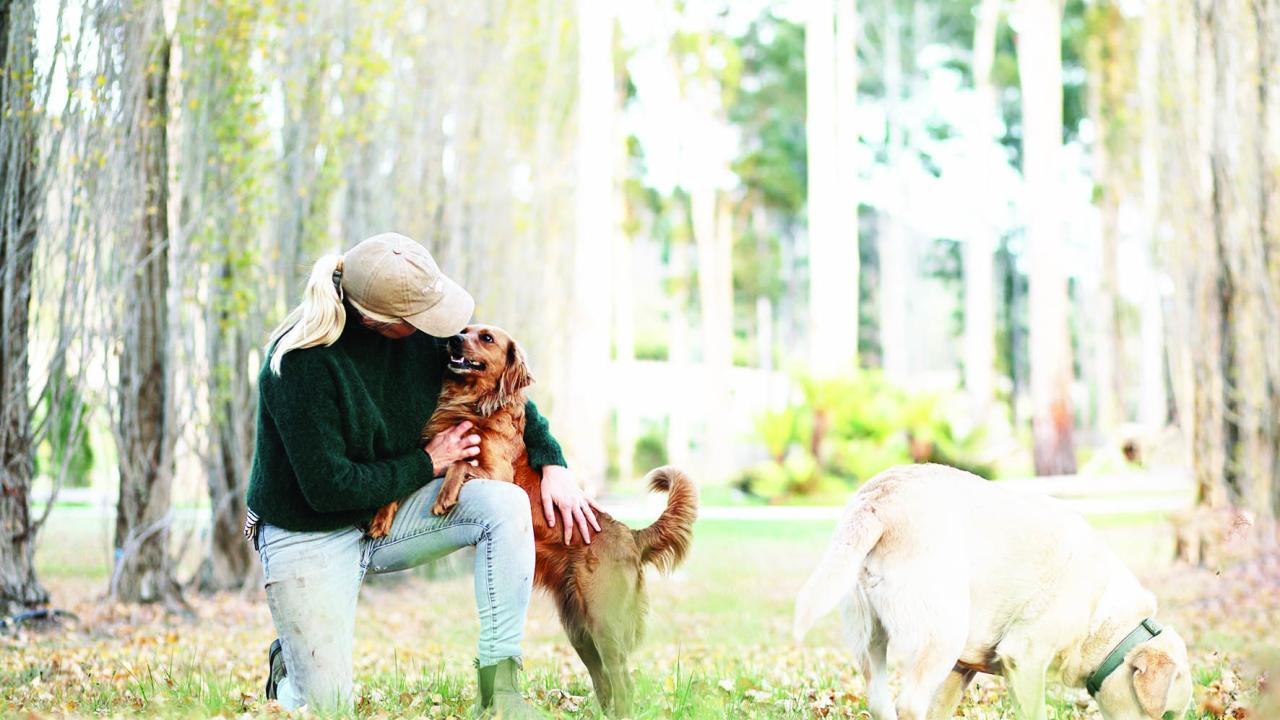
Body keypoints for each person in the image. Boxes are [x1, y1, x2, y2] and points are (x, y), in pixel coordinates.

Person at [244, 232, 601, 716]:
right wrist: (426, 463)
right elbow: (329, 488)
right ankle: (292, 669)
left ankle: (500, 691)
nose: (447, 331)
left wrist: (552, 460)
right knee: (326, 708)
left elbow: (500, 393)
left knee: (506, 502)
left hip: (395, 511)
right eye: (423, 318)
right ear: (379, 320)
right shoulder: (298, 366)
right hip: (312, 529)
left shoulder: (424, 336)